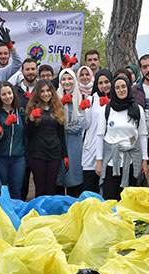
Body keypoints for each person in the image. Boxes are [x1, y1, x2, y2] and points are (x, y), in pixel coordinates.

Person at [96, 75, 149, 200]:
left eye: (124, 87)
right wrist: (99, 161)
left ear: (128, 88)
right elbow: (99, 136)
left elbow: (142, 135)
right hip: (111, 162)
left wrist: (145, 160)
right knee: (111, 199)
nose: (121, 90)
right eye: (117, 88)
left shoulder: (137, 110)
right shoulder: (106, 110)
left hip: (132, 160)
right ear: (113, 90)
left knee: (131, 200)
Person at [25, 79, 68, 197]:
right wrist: (32, 119)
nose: (45, 94)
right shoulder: (32, 108)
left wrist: (65, 155)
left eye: (48, 91)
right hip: (38, 153)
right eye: (42, 91)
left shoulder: (57, 108)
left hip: (55, 153)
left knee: (51, 187)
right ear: (37, 93)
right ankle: (39, 213)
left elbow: (61, 134)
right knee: (40, 188)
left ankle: (50, 213)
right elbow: (28, 133)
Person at [55, 68, 88, 196]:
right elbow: (53, 120)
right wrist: (61, 104)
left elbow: (84, 123)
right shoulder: (55, 97)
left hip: (75, 143)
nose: (67, 82)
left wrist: (74, 125)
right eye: (63, 79)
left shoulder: (81, 97)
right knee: (59, 176)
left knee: (74, 176)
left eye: (70, 79)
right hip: (59, 141)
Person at [0, 81, 27, 199]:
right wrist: (6, 125)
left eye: (9, 93)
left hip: (18, 157)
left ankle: (15, 216)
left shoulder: (20, 111)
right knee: (1, 190)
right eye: (4, 94)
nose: (7, 97)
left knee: (16, 190)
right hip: (0, 156)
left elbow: (25, 134)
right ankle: (2, 215)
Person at [82, 69, 113, 194]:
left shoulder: (118, 101)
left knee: (107, 190)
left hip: (109, 151)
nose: (104, 86)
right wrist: (81, 110)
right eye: (100, 83)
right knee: (90, 189)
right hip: (91, 151)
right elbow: (85, 124)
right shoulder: (91, 100)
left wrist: (110, 105)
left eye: (107, 82)